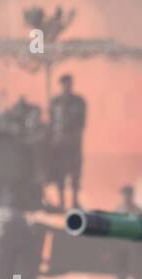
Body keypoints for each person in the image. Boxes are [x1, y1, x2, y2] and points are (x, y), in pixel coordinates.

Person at [47, 73, 87, 209]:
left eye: (69, 84)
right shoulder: (55, 102)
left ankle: (75, 202)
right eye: (64, 84)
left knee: (75, 173)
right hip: (59, 144)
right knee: (60, 174)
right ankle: (61, 203)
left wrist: (75, 135)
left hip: (74, 143)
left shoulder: (79, 101)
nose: (67, 86)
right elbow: (51, 122)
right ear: (61, 85)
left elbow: (82, 122)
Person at [113, 185, 142, 279]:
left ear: (132, 195)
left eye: (127, 194)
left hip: (135, 250)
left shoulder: (138, 212)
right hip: (122, 251)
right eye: (124, 194)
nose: (125, 197)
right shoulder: (119, 211)